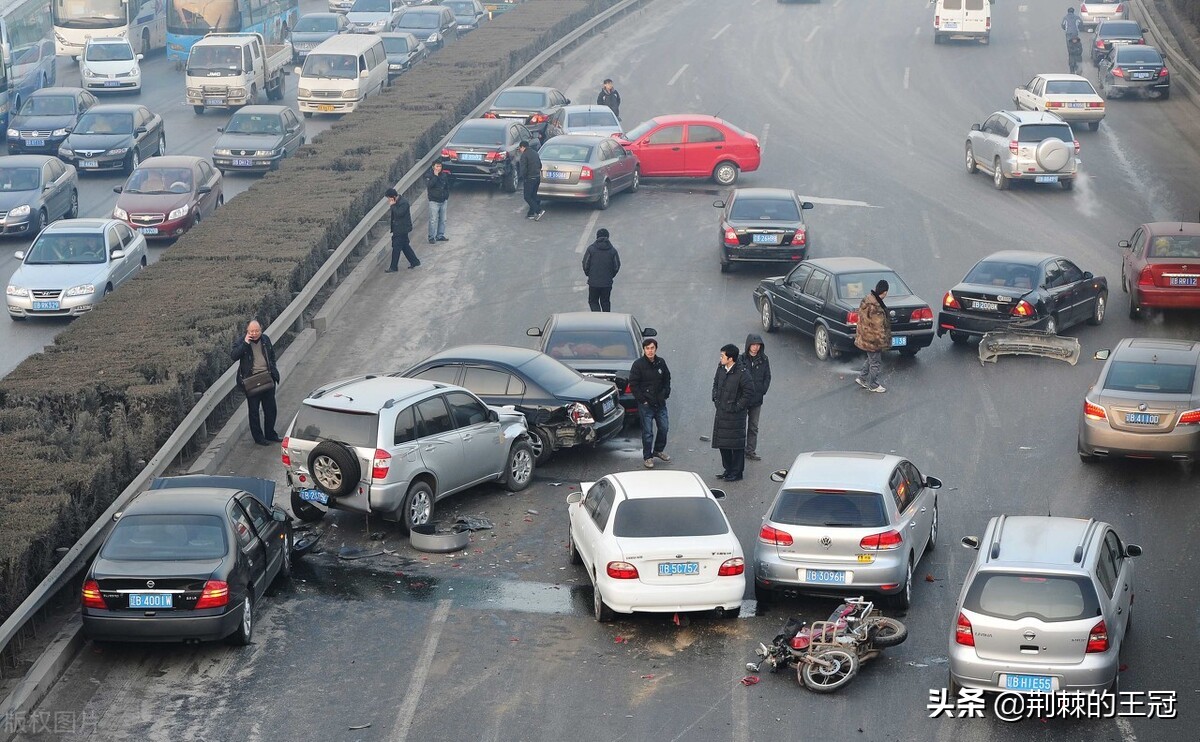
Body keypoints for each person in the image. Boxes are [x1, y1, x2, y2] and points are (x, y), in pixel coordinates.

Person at [231, 320, 281, 446]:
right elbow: (234, 356)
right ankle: (259, 438)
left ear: (261, 329)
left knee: (271, 409)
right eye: (252, 331)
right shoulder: (242, 342)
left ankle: (270, 433)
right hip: (251, 381)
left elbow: (272, 355)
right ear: (247, 331)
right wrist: (245, 344)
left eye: (257, 330)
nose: (255, 333)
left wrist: (273, 371)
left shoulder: (265, 339)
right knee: (254, 411)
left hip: (267, 378)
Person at [711, 344, 756, 482]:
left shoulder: (742, 372)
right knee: (723, 444)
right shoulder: (721, 368)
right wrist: (715, 398)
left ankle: (737, 472)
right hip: (722, 413)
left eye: (722, 356)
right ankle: (728, 469)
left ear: (730, 358)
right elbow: (715, 384)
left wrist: (737, 407)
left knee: (736, 446)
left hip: (735, 416)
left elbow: (749, 392)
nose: (721, 358)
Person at [628, 338, 670, 468]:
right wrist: (643, 400)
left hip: (660, 403)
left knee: (664, 427)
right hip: (646, 405)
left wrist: (666, 393)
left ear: (655, 349)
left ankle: (658, 450)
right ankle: (648, 457)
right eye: (647, 348)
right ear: (644, 350)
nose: (650, 351)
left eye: (652, 348)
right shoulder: (638, 365)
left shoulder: (661, 362)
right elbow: (633, 384)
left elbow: (667, 379)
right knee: (647, 432)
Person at [854, 279, 892, 394]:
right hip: (873, 340)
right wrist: (883, 342)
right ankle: (873, 384)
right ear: (884, 292)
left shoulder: (867, 299)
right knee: (875, 362)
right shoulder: (876, 307)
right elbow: (878, 327)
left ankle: (862, 378)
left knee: (871, 359)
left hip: (865, 336)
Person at [742, 334, 771, 461]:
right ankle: (739, 449)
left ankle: (750, 450)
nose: (755, 348)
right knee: (740, 426)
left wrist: (762, 391)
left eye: (758, 345)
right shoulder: (741, 360)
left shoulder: (764, 360)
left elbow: (767, 377)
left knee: (753, 427)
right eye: (753, 345)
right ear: (748, 345)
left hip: (756, 400)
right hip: (743, 399)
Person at [581, 228, 620, 312]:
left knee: (593, 301)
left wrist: (589, 274)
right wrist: (610, 275)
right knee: (605, 302)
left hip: (593, 283)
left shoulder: (591, 249)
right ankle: (607, 320)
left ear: (597, 237)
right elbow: (616, 266)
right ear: (608, 237)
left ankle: (597, 318)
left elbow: (585, 264)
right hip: (607, 283)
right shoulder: (613, 251)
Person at [384, 187, 419, 272]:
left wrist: (392, 205)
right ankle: (415, 261)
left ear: (393, 197)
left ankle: (393, 267)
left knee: (396, 247)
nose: (388, 200)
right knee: (405, 246)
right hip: (398, 228)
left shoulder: (403, 203)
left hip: (402, 229)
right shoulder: (397, 202)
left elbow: (399, 213)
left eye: (389, 198)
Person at [424, 161, 451, 243]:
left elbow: (446, 186)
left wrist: (446, 196)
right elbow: (429, 185)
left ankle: (440, 235)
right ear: (433, 167)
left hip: (443, 200)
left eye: (440, 166)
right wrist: (435, 176)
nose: (438, 168)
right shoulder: (429, 175)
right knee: (433, 220)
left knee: (443, 219)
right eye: (437, 166)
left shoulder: (444, 175)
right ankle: (431, 237)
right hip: (434, 201)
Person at [517, 141, 544, 220]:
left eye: (520, 148)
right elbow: (540, 165)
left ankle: (539, 210)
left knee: (527, 196)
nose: (520, 150)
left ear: (522, 147)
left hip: (529, 178)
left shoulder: (524, 155)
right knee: (533, 195)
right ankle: (531, 214)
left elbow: (523, 169)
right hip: (537, 177)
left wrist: (524, 177)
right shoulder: (535, 153)